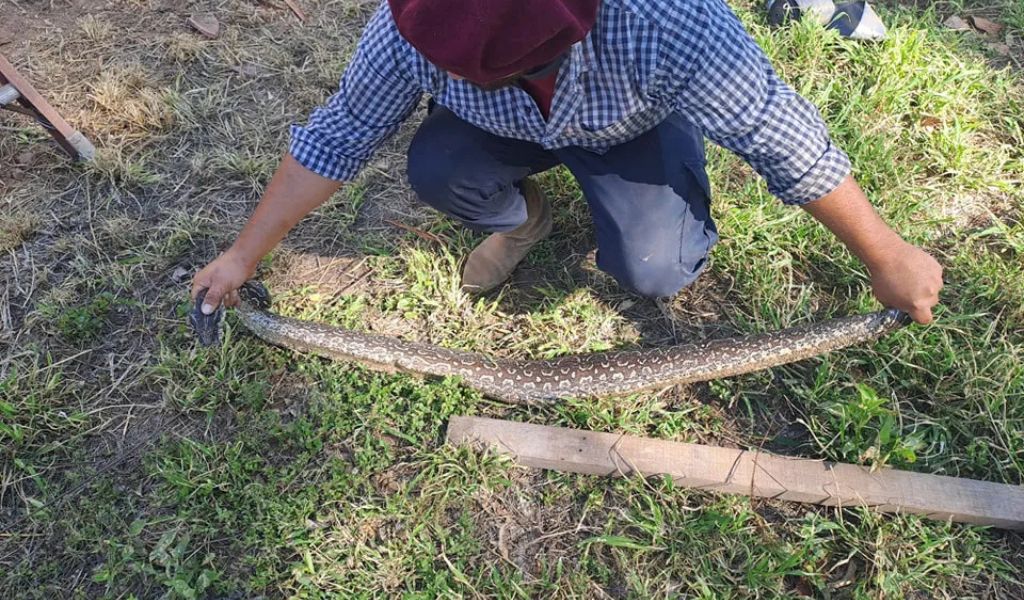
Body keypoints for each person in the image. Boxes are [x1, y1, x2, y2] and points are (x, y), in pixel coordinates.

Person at [192, 0, 942, 324]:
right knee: (436, 167)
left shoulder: (667, 23)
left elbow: (783, 136)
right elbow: (341, 132)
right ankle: (524, 219)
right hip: (503, 127)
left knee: (657, 269)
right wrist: (242, 257)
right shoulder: (409, 27)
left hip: (629, 125)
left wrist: (886, 254)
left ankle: (640, 201)